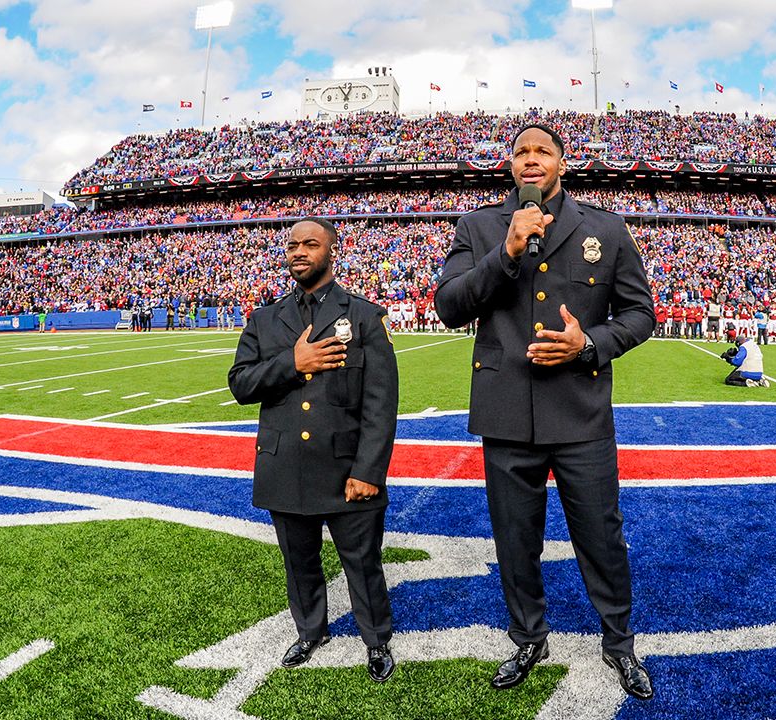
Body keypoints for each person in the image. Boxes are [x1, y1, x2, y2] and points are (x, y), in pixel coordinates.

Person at [434, 124, 656, 701]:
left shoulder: (604, 228)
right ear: (509, 164)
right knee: (515, 538)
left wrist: (588, 346)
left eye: (543, 152)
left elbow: (639, 315)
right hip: (506, 411)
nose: (531, 160)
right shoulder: (478, 226)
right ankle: (528, 637)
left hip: (579, 412)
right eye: (521, 152)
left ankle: (619, 641)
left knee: (601, 534)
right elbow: (449, 306)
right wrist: (505, 252)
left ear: (563, 162)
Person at [227, 217, 399, 683]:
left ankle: (377, 639)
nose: (299, 252)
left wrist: (368, 470)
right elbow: (240, 384)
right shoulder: (264, 320)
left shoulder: (363, 316)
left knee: (363, 563)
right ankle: (310, 631)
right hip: (287, 466)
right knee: (298, 562)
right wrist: (292, 362)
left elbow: (381, 405)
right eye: (292, 245)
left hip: (347, 468)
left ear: (331, 251)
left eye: (310, 244)